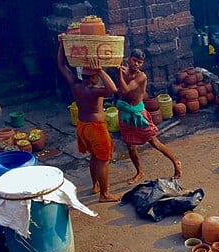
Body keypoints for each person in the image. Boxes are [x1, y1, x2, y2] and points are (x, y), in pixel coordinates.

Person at [56, 40, 120, 202]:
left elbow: (61, 65)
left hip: (82, 126)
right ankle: (104, 194)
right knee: (103, 160)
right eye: (96, 77)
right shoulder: (93, 91)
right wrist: (100, 71)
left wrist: (63, 44)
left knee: (94, 157)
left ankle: (95, 185)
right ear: (92, 77)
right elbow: (113, 89)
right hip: (96, 128)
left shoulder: (75, 84)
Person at [116, 49, 182, 184]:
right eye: (134, 61)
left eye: (140, 62)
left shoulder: (142, 76)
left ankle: (176, 162)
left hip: (138, 114)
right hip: (125, 114)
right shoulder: (124, 71)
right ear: (129, 59)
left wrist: (118, 74)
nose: (136, 64)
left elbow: (125, 90)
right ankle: (139, 171)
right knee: (130, 146)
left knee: (154, 143)